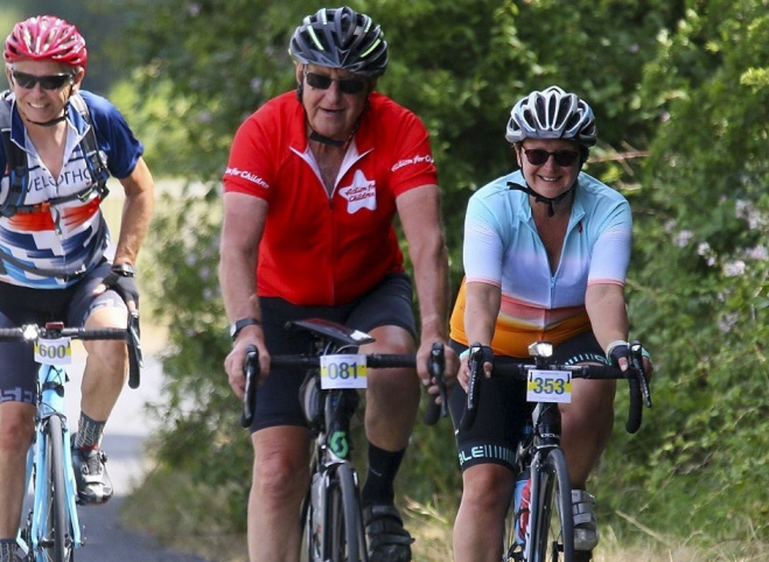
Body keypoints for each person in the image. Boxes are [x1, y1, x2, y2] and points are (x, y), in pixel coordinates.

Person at [219, 7, 458, 562]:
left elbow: (427, 243)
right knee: (279, 470)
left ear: (370, 89)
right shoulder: (264, 130)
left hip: (368, 291)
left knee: (394, 358)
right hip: (281, 303)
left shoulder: (399, 129)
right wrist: (246, 332)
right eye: (320, 80)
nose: (333, 97)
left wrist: (432, 332)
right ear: (299, 75)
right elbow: (236, 247)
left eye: (350, 85)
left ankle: (377, 497)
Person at [0, 15, 154, 562]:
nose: (36, 92)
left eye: (51, 80)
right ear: (9, 74)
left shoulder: (99, 120)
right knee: (12, 426)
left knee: (113, 337)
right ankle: (2, 550)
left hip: (86, 279)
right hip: (13, 291)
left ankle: (87, 445)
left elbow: (141, 190)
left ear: (76, 78)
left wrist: (125, 266)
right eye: (24, 78)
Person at [446, 85, 653, 562]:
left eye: (564, 156)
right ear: (518, 152)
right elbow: (482, 290)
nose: (550, 167)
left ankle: (571, 490)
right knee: (484, 486)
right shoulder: (490, 204)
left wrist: (620, 347)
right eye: (537, 153)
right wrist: (477, 348)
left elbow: (603, 292)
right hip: (491, 338)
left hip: (569, 335)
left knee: (594, 382)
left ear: (582, 157)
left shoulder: (608, 207)